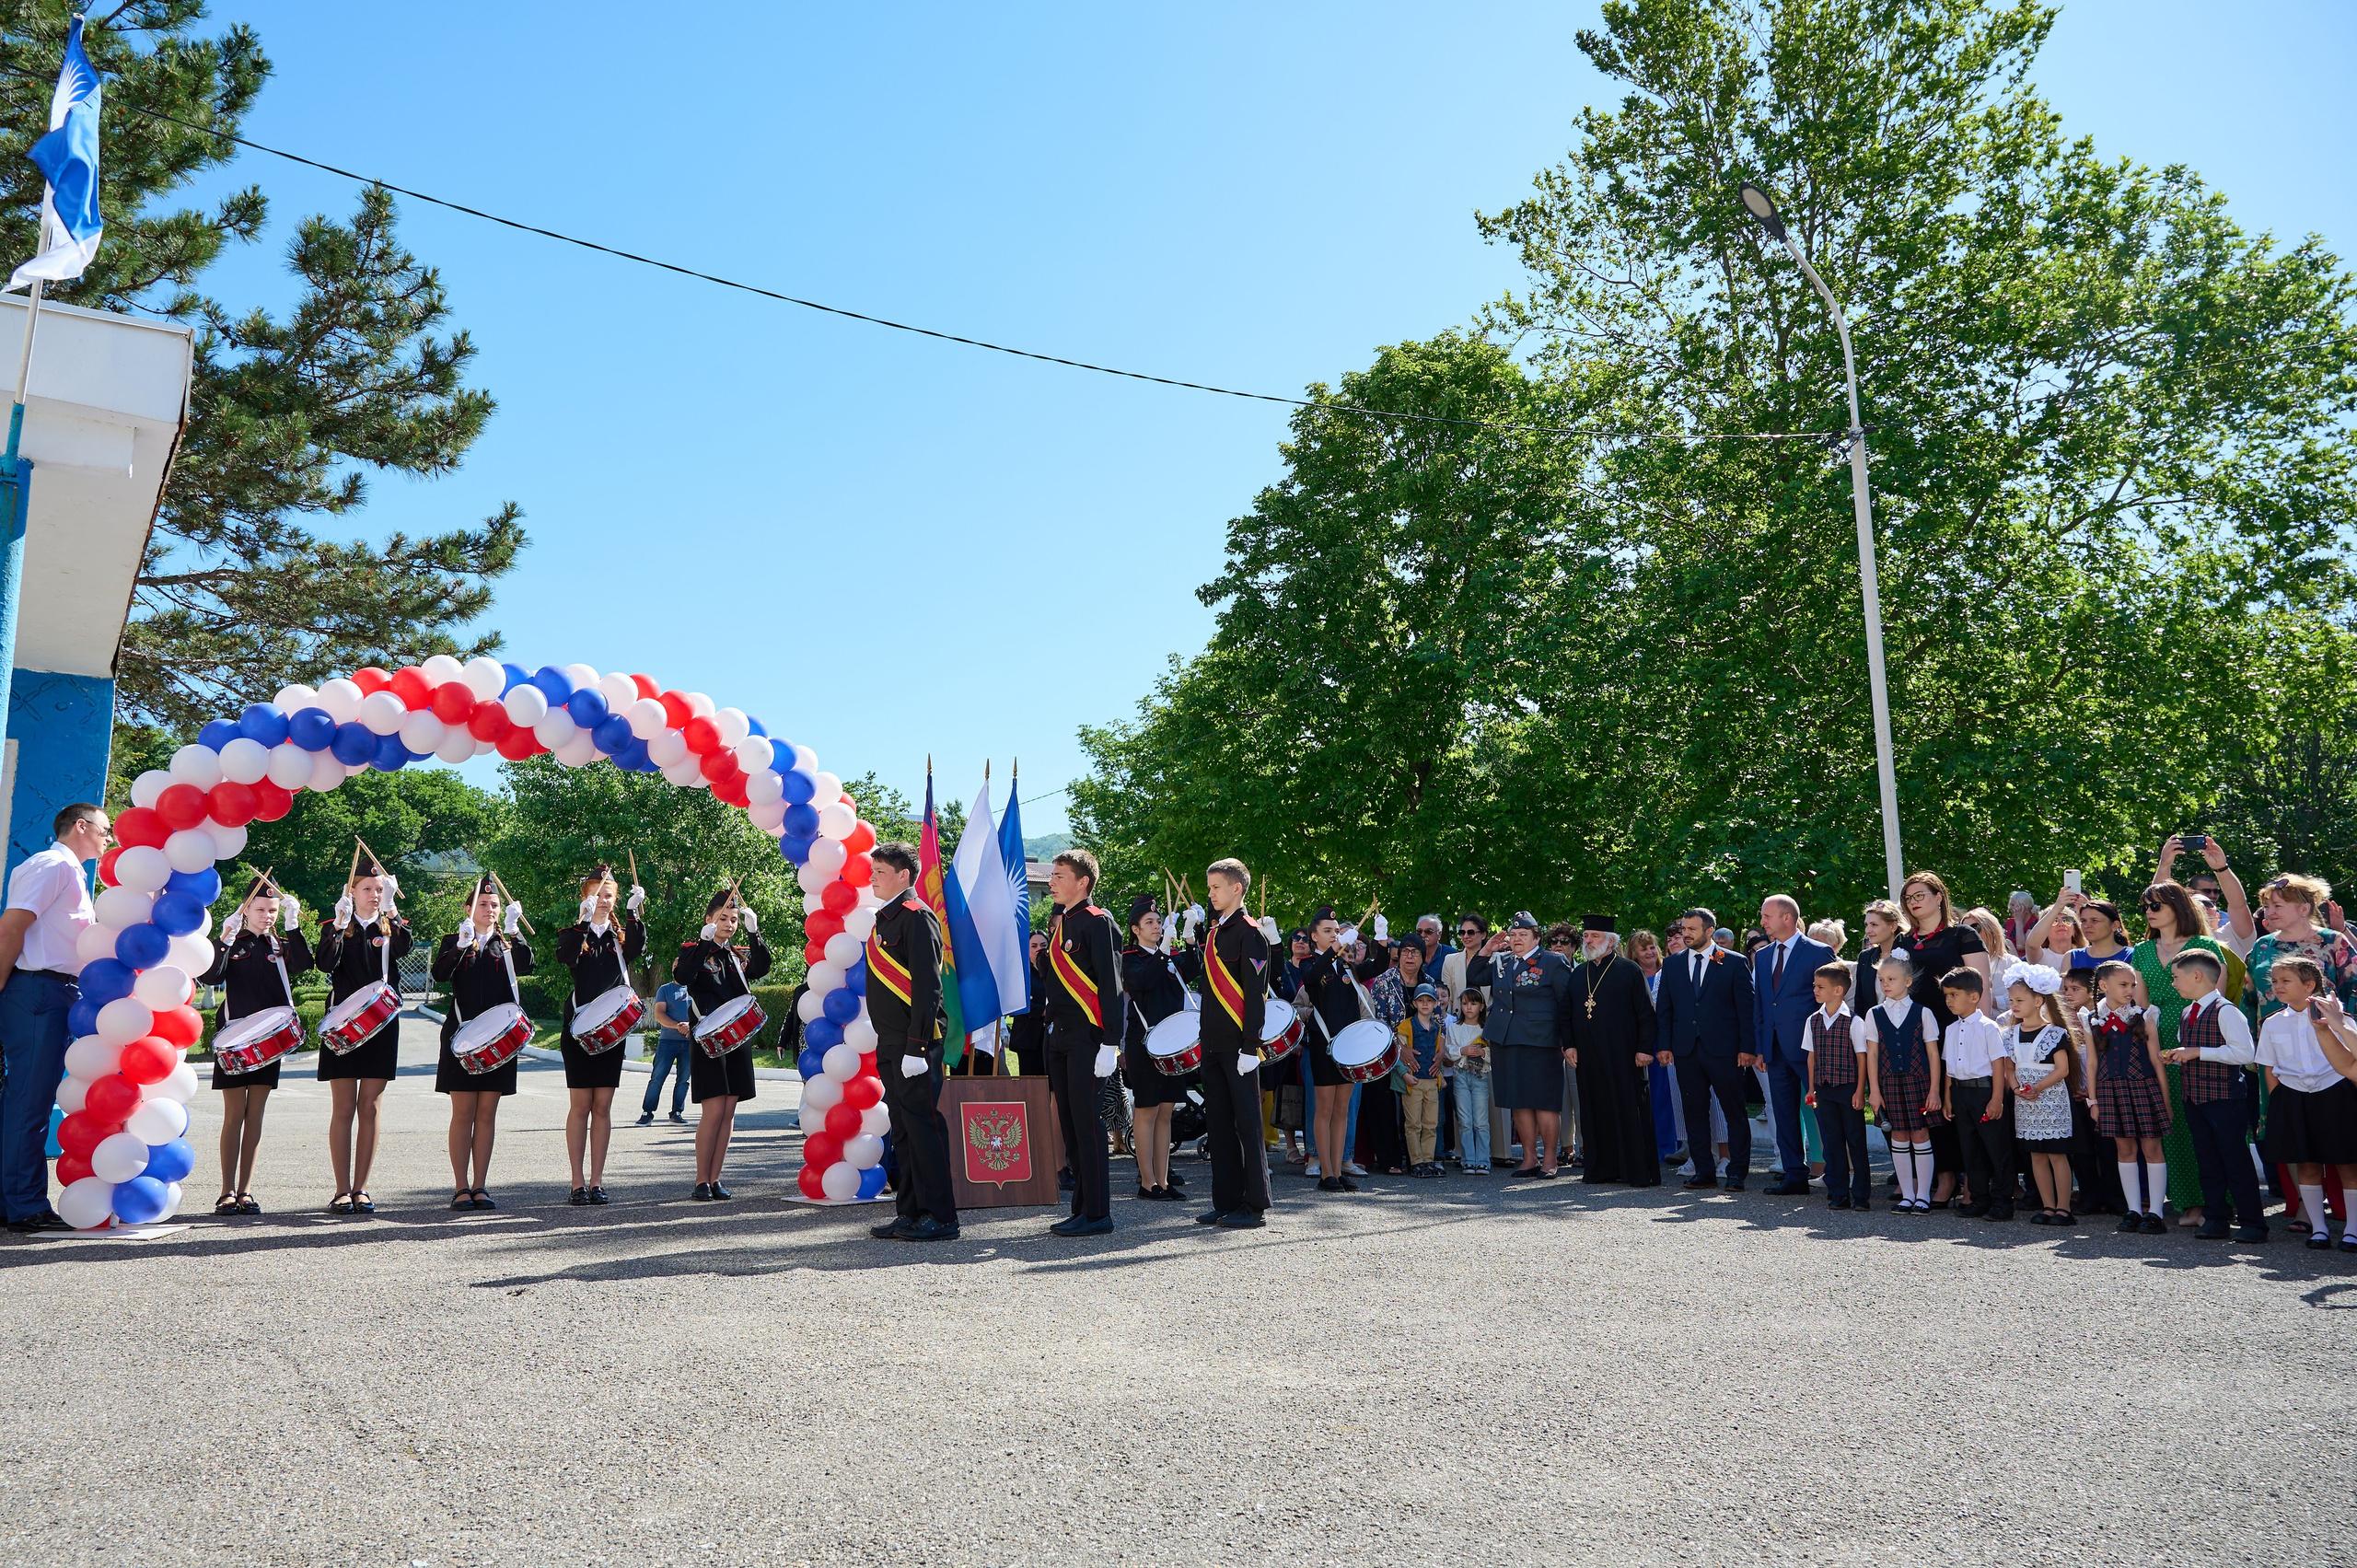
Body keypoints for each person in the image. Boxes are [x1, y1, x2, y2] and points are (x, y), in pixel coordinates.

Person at [0, 804, 107, 1233]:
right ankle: (25, 1207)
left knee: (28, 1102)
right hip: (37, 990)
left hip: (56, 991)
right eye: (104, 828)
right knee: (29, 1104)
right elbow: (11, 928)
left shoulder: (73, 872)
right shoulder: (50, 865)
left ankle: (13, 1203)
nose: (109, 837)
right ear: (80, 826)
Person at [200, 874, 311, 1215]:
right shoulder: (236, 941)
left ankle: (246, 1189)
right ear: (246, 909)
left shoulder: (280, 945)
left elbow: (305, 965)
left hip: (269, 1042)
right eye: (261, 909)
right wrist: (223, 939)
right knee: (234, 1114)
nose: (267, 916)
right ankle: (226, 1190)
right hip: (235, 1038)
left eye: (273, 910)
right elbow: (211, 976)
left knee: (256, 1114)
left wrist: (293, 927)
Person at [865, 842, 958, 1242]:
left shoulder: (917, 918)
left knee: (924, 1129)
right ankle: (911, 1211)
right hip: (890, 1040)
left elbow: (928, 989)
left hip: (913, 1043)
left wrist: (917, 1046)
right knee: (902, 1129)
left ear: (904, 875)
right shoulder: (885, 920)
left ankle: (942, 1216)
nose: (872, 877)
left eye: (880, 871)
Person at [315, 855, 413, 1216]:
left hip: (382, 1024)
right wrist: (339, 926)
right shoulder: (335, 925)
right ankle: (341, 1190)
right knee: (343, 1107)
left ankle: (362, 1188)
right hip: (343, 1025)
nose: (374, 894)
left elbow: (404, 948)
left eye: (379, 889)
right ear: (352, 892)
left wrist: (391, 909)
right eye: (367, 889)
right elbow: (325, 963)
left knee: (369, 1108)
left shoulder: (391, 926)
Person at [431, 877, 532, 1211]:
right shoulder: (454, 940)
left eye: (495, 906)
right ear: (468, 909)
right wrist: (461, 946)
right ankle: (461, 1187)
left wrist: (515, 932)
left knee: (487, 1113)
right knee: (463, 1113)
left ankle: (480, 1185)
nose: (489, 910)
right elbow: (440, 974)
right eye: (483, 905)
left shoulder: (505, 945)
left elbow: (527, 966)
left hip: (499, 1040)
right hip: (462, 1036)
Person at [1892, 872, 1991, 1205]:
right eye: (1908, 897)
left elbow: (1982, 987)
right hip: (1917, 1034)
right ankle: (1944, 1179)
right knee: (1930, 1110)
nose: (1914, 901)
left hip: (1959, 1029)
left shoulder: (1962, 935)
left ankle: (1975, 1182)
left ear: (1939, 896)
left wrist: (1983, 1032)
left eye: (1920, 894)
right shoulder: (1903, 941)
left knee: (1960, 1108)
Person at [1038, 849, 1121, 1235]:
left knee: (1087, 1123)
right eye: (1052, 875)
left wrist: (1111, 1042)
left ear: (1082, 882)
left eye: (1058, 876)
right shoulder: (1063, 924)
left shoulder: (1097, 922)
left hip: (1089, 1038)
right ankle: (1082, 1208)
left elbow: (1111, 985)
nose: (1051, 881)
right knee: (1070, 1123)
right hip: (1061, 1036)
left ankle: (1099, 1212)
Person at [554, 865, 646, 1204]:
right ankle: (577, 1181)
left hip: (611, 1030)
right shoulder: (574, 933)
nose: (603, 901)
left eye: (609, 895)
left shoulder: (618, 938)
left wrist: (634, 913)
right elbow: (565, 956)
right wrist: (583, 921)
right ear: (585, 897)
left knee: (603, 1106)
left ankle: (597, 1181)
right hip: (578, 1030)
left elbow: (638, 947)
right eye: (596, 894)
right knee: (580, 1105)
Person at [2160, 949, 2266, 1242]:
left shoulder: (2226, 1011)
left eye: (2176, 977)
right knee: (2206, 1160)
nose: (2173, 984)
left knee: (2235, 1160)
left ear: (2197, 976)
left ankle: (2253, 1223)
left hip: (2224, 1099)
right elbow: (2193, 1048)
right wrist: (2177, 1056)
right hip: (2195, 1098)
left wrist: (2196, 1052)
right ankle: (2216, 1217)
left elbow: (2245, 1053)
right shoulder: (2187, 1012)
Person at [672, 888, 770, 1200]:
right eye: (722, 918)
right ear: (708, 920)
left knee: (728, 1111)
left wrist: (755, 934)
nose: (729, 924)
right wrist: (704, 941)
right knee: (713, 1111)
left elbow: (761, 967)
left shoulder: (734, 954)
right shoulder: (694, 951)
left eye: (734, 920)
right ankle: (701, 1179)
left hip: (737, 1037)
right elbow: (685, 976)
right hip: (709, 1038)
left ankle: (716, 1178)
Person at [2255, 957, 2357, 1251]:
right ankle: (2319, 1228)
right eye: (2274, 981)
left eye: (2285, 981)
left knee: (2348, 1165)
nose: (2277, 986)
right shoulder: (2272, 1023)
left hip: (2335, 1093)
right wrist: (2277, 1101)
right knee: (2307, 1164)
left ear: (2309, 984)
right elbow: (2269, 1068)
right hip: (2293, 1096)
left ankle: (2352, 1229)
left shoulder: (2336, 1017)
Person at [1194, 856, 1276, 1226]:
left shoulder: (1250, 933)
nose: (1210, 893)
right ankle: (1226, 1200)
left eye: (1215, 887)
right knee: (1220, 1126)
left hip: (1239, 1047)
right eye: (1209, 887)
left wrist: (1250, 1046)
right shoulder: (1214, 934)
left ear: (1236, 889)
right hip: (1212, 1044)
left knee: (1247, 1125)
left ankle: (1254, 1204)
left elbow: (1255, 995)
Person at [1467, 912, 1578, 1179]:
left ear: (1536, 938)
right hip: (1506, 1038)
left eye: (1523, 935)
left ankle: (1549, 1158)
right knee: (1518, 1101)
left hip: (1540, 1040)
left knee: (1545, 1102)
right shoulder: (1501, 960)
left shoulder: (1553, 961)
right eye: (1513, 935)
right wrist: (1487, 949)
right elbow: (1474, 975)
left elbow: (1567, 1003)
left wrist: (1568, 1041)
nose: (1517, 940)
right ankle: (1529, 1158)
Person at [1655, 907, 1757, 1191]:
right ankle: (1704, 1171)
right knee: (1694, 1113)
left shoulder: (1734, 962)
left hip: (1725, 1051)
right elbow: (1665, 1009)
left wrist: (1747, 1047)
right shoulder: (1673, 965)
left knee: (1734, 1112)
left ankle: (1736, 1172)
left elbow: (1746, 1010)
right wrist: (1664, 1046)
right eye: (1683, 929)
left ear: (1709, 931)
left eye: (1691, 929)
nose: (1685, 934)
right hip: (1686, 1051)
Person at [1563, 916, 1658, 1187]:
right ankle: (1600, 1169)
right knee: (1595, 1111)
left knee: (1628, 1109)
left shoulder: (1629, 970)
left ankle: (1635, 1170)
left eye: (1594, 935)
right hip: (1588, 1056)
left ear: (1611, 941)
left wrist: (1644, 1049)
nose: (1588, 940)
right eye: (1586, 936)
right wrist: (1568, 1044)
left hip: (1624, 1054)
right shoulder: (1578, 973)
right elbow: (1566, 1013)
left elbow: (1645, 1013)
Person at [1752, 895, 1835, 1196]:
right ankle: (1794, 1175)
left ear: (1787, 918)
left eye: (1767, 916)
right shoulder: (1762, 957)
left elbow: (1831, 1003)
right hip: (1774, 1049)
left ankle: (1836, 1174)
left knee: (1823, 1111)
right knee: (1785, 1113)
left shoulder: (1818, 952)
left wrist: (1823, 1045)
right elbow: (1761, 1004)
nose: (1762, 922)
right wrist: (1761, 1047)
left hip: (1810, 1048)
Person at [1120, 895, 1199, 1202]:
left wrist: (1191, 934)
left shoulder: (1169, 955)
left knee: (1167, 1111)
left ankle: (1163, 1181)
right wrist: (1164, 948)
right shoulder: (1130, 958)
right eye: (1149, 923)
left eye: (1158, 922)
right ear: (1136, 929)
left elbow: (1193, 968)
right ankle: (1147, 1181)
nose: (1156, 926)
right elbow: (1144, 981)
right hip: (1145, 1044)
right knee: (1147, 1110)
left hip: (1173, 1044)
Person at [1299, 906, 1384, 1191]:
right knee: (1323, 1110)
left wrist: (1381, 939)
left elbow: (1378, 966)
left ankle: (1337, 1169)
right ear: (1314, 936)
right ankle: (1326, 1174)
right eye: (1328, 931)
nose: (1335, 935)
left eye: (1336, 931)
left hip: (1349, 1047)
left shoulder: (1347, 967)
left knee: (1342, 1110)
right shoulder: (1310, 964)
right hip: (1324, 1045)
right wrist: (1336, 947)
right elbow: (1312, 978)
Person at [2088, 958, 2170, 1235]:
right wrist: (2093, 1100)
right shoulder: (2091, 1018)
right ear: (2103, 985)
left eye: (2133, 985)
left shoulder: (2145, 1016)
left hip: (2144, 1087)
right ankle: (2133, 1209)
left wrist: (2166, 1102)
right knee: (2124, 1150)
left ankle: (2156, 1212)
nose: (2130, 989)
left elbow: (2157, 1061)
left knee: (2151, 1149)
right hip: (2110, 1090)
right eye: (2124, 984)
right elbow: (2091, 1062)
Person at [1861, 954, 1942, 1214]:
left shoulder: (1923, 1013)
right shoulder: (1874, 1014)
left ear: (1908, 981)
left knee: (1920, 1134)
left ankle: (1923, 1196)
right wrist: (1874, 1090)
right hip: (1889, 1083)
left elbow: (1933, 1054)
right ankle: (1907, 1195)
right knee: (1898, 1134)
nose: (1885, 984)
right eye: (1882, 979)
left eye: (1891, 979)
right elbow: (1872, 1053)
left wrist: (1934, 1090)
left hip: (1919, 1081)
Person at [2003, 964, 2080, 1227]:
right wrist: (2016, 1088)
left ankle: (2063, 1208)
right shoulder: (2010, 1034)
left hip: (2051, 1101)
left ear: (2038, 1001)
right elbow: (2009, 1068)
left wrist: (2038, 1087)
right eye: (2012, 1000)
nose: (2014, 1005)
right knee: (2036, 1155)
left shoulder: (2054, 1033)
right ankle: (2047, 1206)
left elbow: (2063, 1069)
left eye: (2020, 1000)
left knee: (2057, 1155)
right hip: (2025, 1103)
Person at [1938, 968, 2013, 1220]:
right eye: (1946, 995)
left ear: (1974, 996)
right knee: (1970, 1149)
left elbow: (1998, 1064)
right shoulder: (1950, 1029)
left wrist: (1997, 1099)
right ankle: (1978, 1199)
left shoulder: (1988, 1027)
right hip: (1960, 1094)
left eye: (1954, 994)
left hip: (1985, 1092)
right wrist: (1948, 1098)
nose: (1949, 1000)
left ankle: (2003, 1201)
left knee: (1995, 1147)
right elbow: (1949, 1067)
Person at [1803, 962, 1869, 1211]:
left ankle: (1862, 1195)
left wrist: (1859, 1090)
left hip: (1848, 1088)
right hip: (1824, 1088)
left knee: (1855, 1140)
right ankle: (1838, 1193)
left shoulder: (1854, 1021)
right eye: (1814, 986)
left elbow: (1861, 1057)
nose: (1815, 990)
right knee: (1832, 1141)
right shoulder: (1813, 1020)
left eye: (1821, 987)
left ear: (1839, 990)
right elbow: (1811, 1056)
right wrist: (1811, 1088)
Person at [1393, 982, 1446, 1178]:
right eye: (1421, 1000)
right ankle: (1416, 1162)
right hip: (1413, 1082)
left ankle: (1428, 1160)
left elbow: (1438, 1055)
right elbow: (1399, 1052)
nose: (1425, 1004)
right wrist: (1405, 1075)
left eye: (1429, 1001)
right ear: (1414, 1003)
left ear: (1435, 1004)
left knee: (1431, 1123)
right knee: (1413, 1124)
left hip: (1432, 1081)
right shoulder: (1406, 1025)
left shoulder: (1438, 1028)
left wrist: (1440, 1075)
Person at [1445, 990, 1492, 1174]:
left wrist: (1483, 1053)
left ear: (1481, 1007)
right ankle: (1468, 1159)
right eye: (1464, 1004)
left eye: (1473, 1004)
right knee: (1464, 1119)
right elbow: (1448, 1051)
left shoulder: (1486, 1028)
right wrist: (1462, 1050)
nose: (1468, 1008)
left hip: (1480, 1075)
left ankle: (1483, 1160)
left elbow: (1496, 1053)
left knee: (1481, 1120)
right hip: (1460, 1074)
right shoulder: (1455, 1027)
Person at [639, 975, 694, 1125]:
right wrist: (678, 1026)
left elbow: (702, 1012)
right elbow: (659, 1014)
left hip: (690, 1041)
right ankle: (647, 1112)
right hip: (667, 1041)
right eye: (675, 965)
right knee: (657, 1078)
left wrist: (691, 1026)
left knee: (684, 1080)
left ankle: (677, 1112)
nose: (678, 968)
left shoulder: (696, 988)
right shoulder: (665, 990)